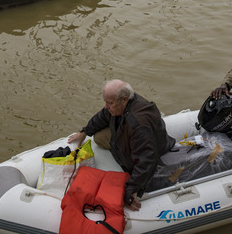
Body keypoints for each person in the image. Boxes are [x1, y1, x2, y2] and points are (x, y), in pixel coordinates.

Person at [68, 79, 176, 211]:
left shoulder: (138, 124)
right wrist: (84, 132)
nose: (106, 106)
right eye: (106, 102)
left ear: (124, 100)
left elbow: (146, 159)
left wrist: (131, 189)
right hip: (134, 139)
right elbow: (103, 115)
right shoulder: (120, 105)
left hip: (149, 148)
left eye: (110, 103)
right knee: (99, 137)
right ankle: (121, 153)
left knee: (141, 158)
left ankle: (127, 164)